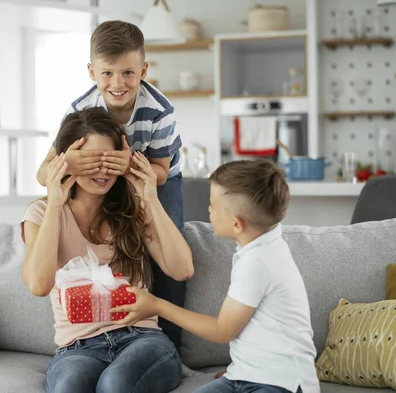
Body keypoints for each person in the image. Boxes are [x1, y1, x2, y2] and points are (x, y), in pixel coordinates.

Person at [35, 19, 187, 349]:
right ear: (92, 72)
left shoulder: (160, 111)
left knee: (170, 237)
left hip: (156, 176)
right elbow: (42, 173)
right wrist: (68, 165)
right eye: (107, 73)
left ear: (143, 69)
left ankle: (172, 343)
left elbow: (160, 170)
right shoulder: (80, 109)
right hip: (109, 181)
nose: (117, 83)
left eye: (128, 73)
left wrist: (132, 166)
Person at [21, 107, 194, 393]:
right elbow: (39, 285)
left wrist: (149, 197)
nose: (102, 170)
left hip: (141, 338)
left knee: (116, 384)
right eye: (90, 161)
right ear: (69, 163)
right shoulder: (41, 214)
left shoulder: (134, 208)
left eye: (109, 160)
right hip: (78, 349)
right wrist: (54, 204)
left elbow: (182, 269)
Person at [111, 159, 320, 393]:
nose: (208, 210)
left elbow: (223, 330)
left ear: (237, 224)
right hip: (246, 376)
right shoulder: (262, 243)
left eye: (212, 205)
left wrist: (157, 305)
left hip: (282, 383)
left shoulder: (259, 261)